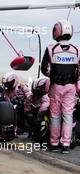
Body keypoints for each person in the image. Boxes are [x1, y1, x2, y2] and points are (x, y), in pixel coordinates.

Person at [41, 20, 80, 153]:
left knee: (55, 115)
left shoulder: (51, 48)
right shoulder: (76, 50)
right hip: (71, 87)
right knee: (68, 115)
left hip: (56, 87)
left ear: (57, 31)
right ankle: (66, 145)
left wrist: (52, 75)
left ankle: (53, 143)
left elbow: (44, 69)